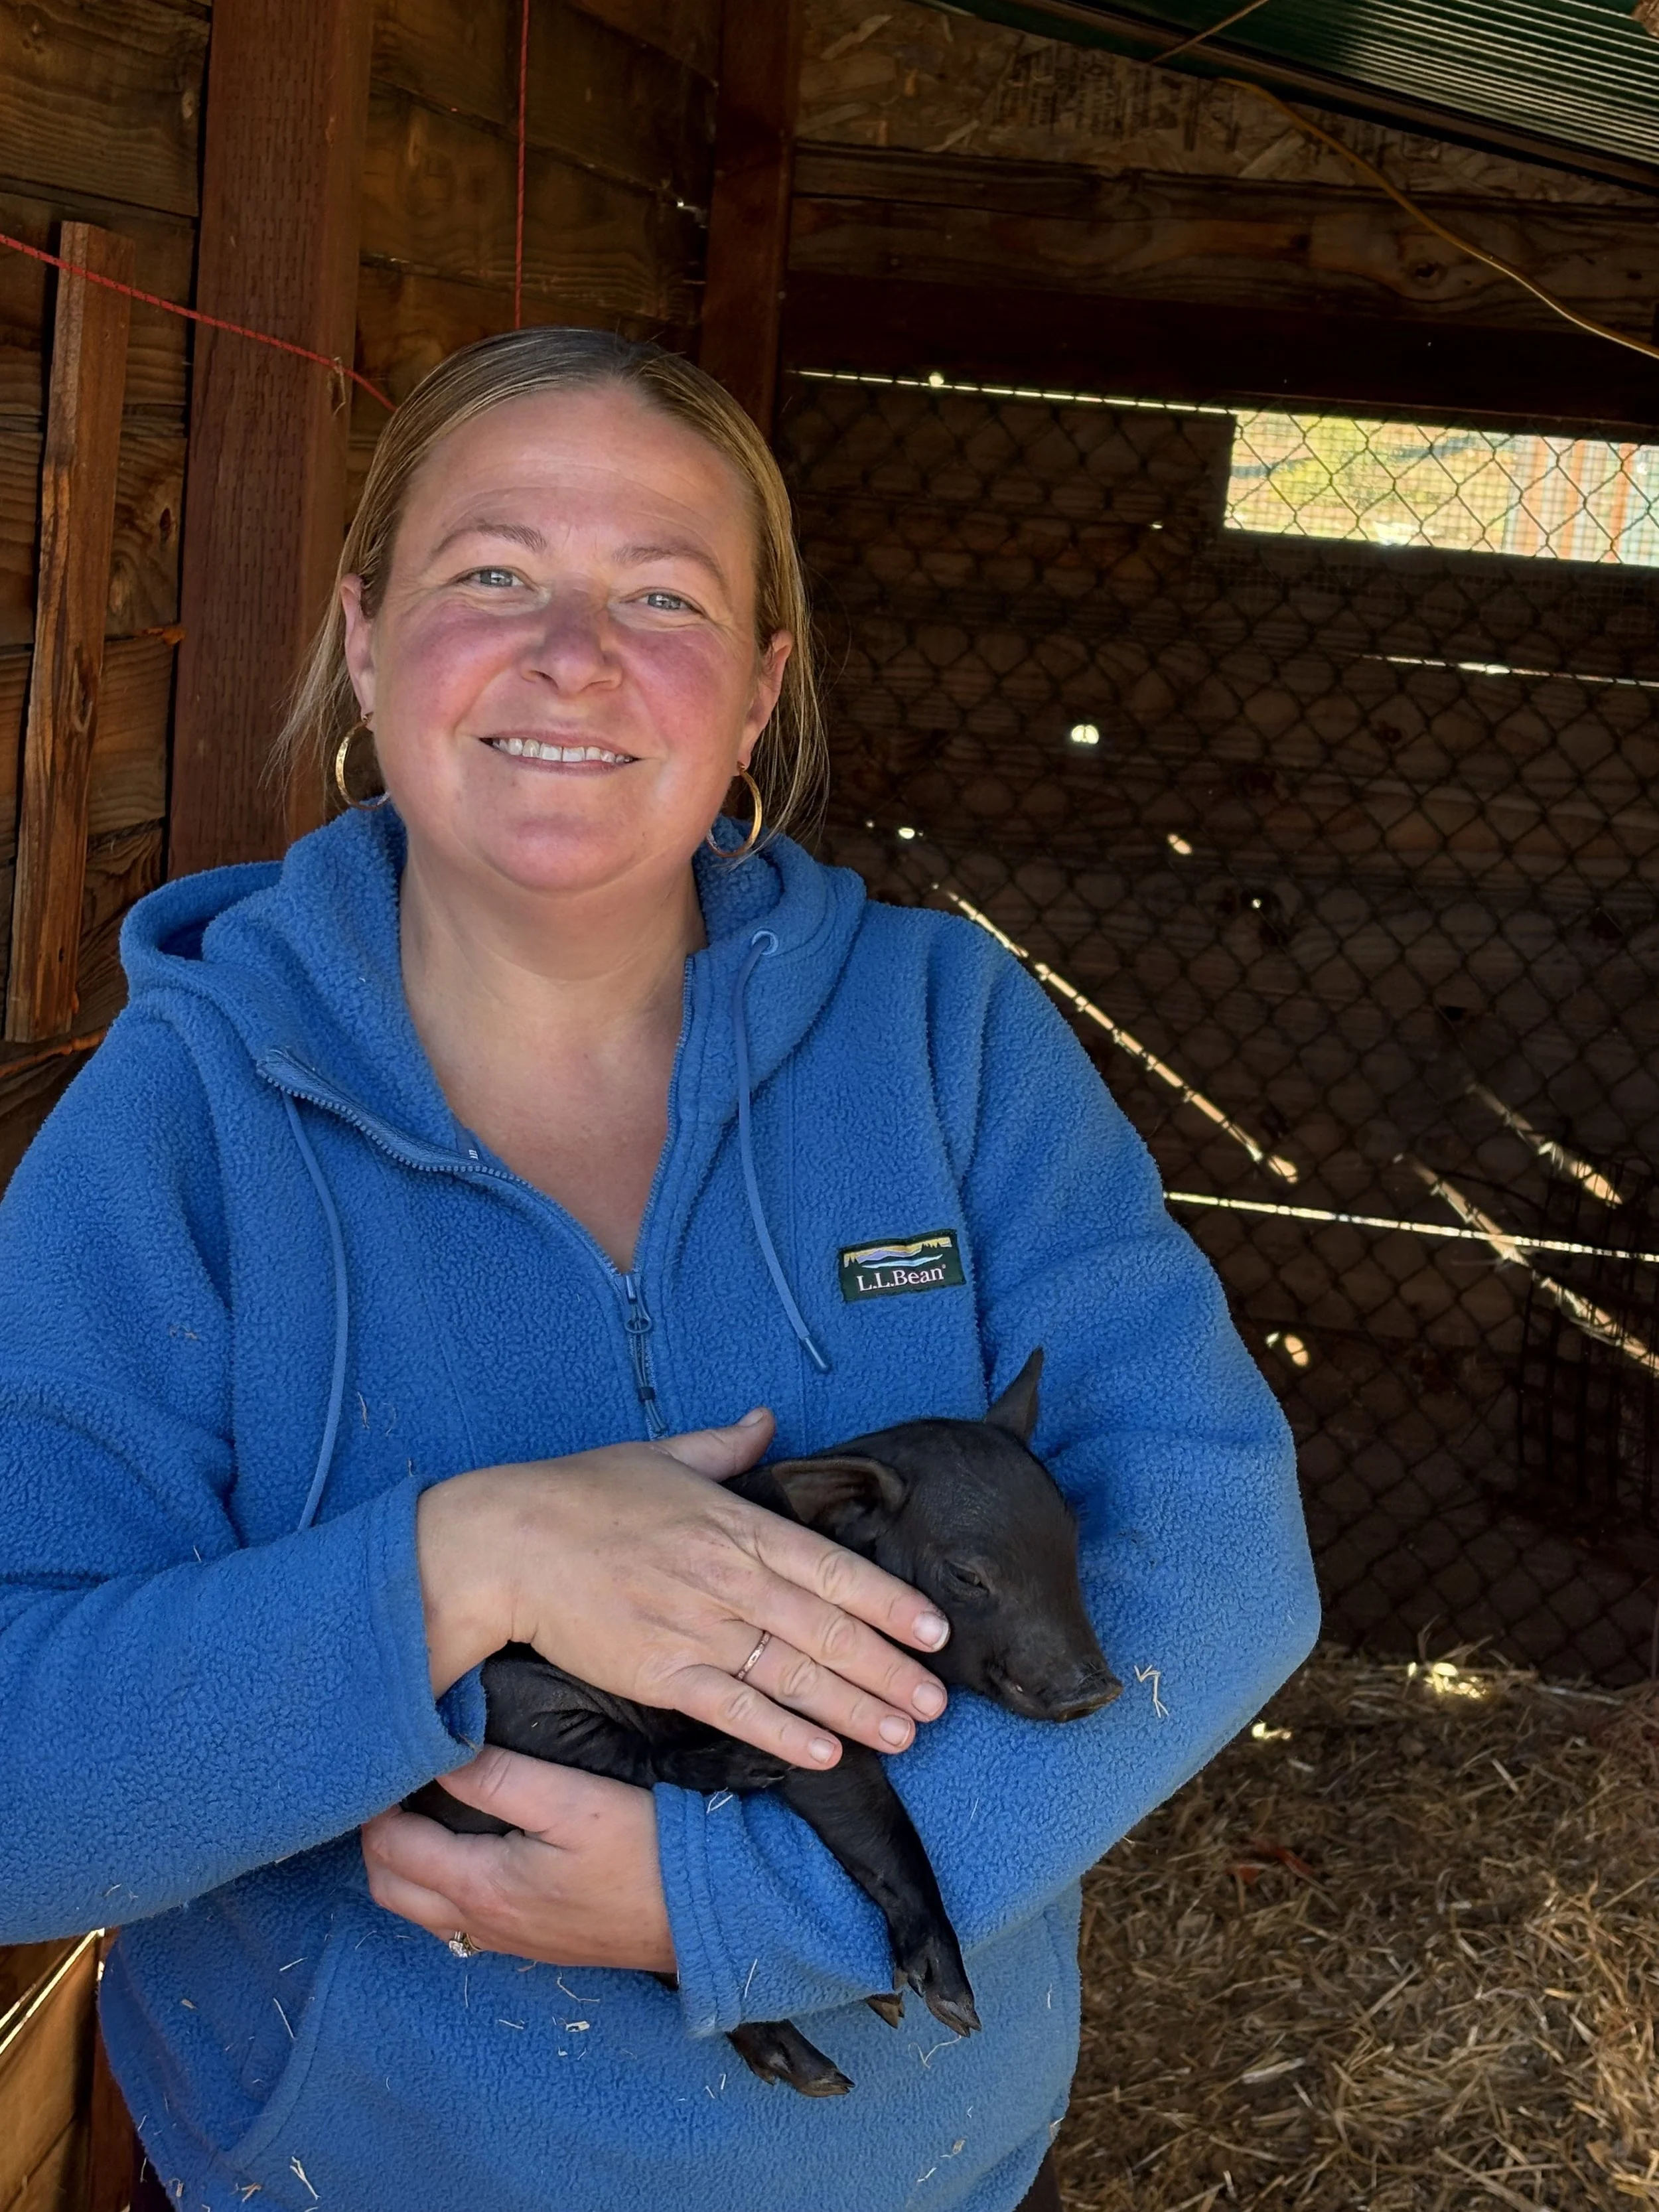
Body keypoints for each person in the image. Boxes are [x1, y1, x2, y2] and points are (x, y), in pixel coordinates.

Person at [0, 329, 1317, 2212]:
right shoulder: (184, 1121)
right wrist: (476, 1559)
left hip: (931, 2175)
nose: (573, 651)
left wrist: (762, 1902)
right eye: (492, 574)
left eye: (663, 594)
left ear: (760, 683)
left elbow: (1216, 1541)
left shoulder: (941, 1035)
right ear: (366, 641)